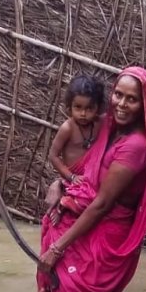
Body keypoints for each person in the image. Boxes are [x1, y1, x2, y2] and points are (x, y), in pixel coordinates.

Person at [36, 66, 146, 292]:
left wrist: (57, 249)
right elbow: (79, 167)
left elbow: (102, 203)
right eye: (118, 95)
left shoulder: (134, 146)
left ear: (143, 104)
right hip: (91, 214)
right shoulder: (107, 127)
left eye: (132, 99)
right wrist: (61, 182)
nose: (122, 104)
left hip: (107, 226)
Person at [44, 74, 105, 224]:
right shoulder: (67, 128)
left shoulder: (99, 125)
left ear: (97, 107)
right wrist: (70, 177)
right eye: (78, 107)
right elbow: (53, 156)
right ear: (69, 107)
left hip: (91, 180)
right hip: (72, 180)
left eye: (89, 108)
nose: (83, 113)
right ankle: (62, 205)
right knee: (78, 196)